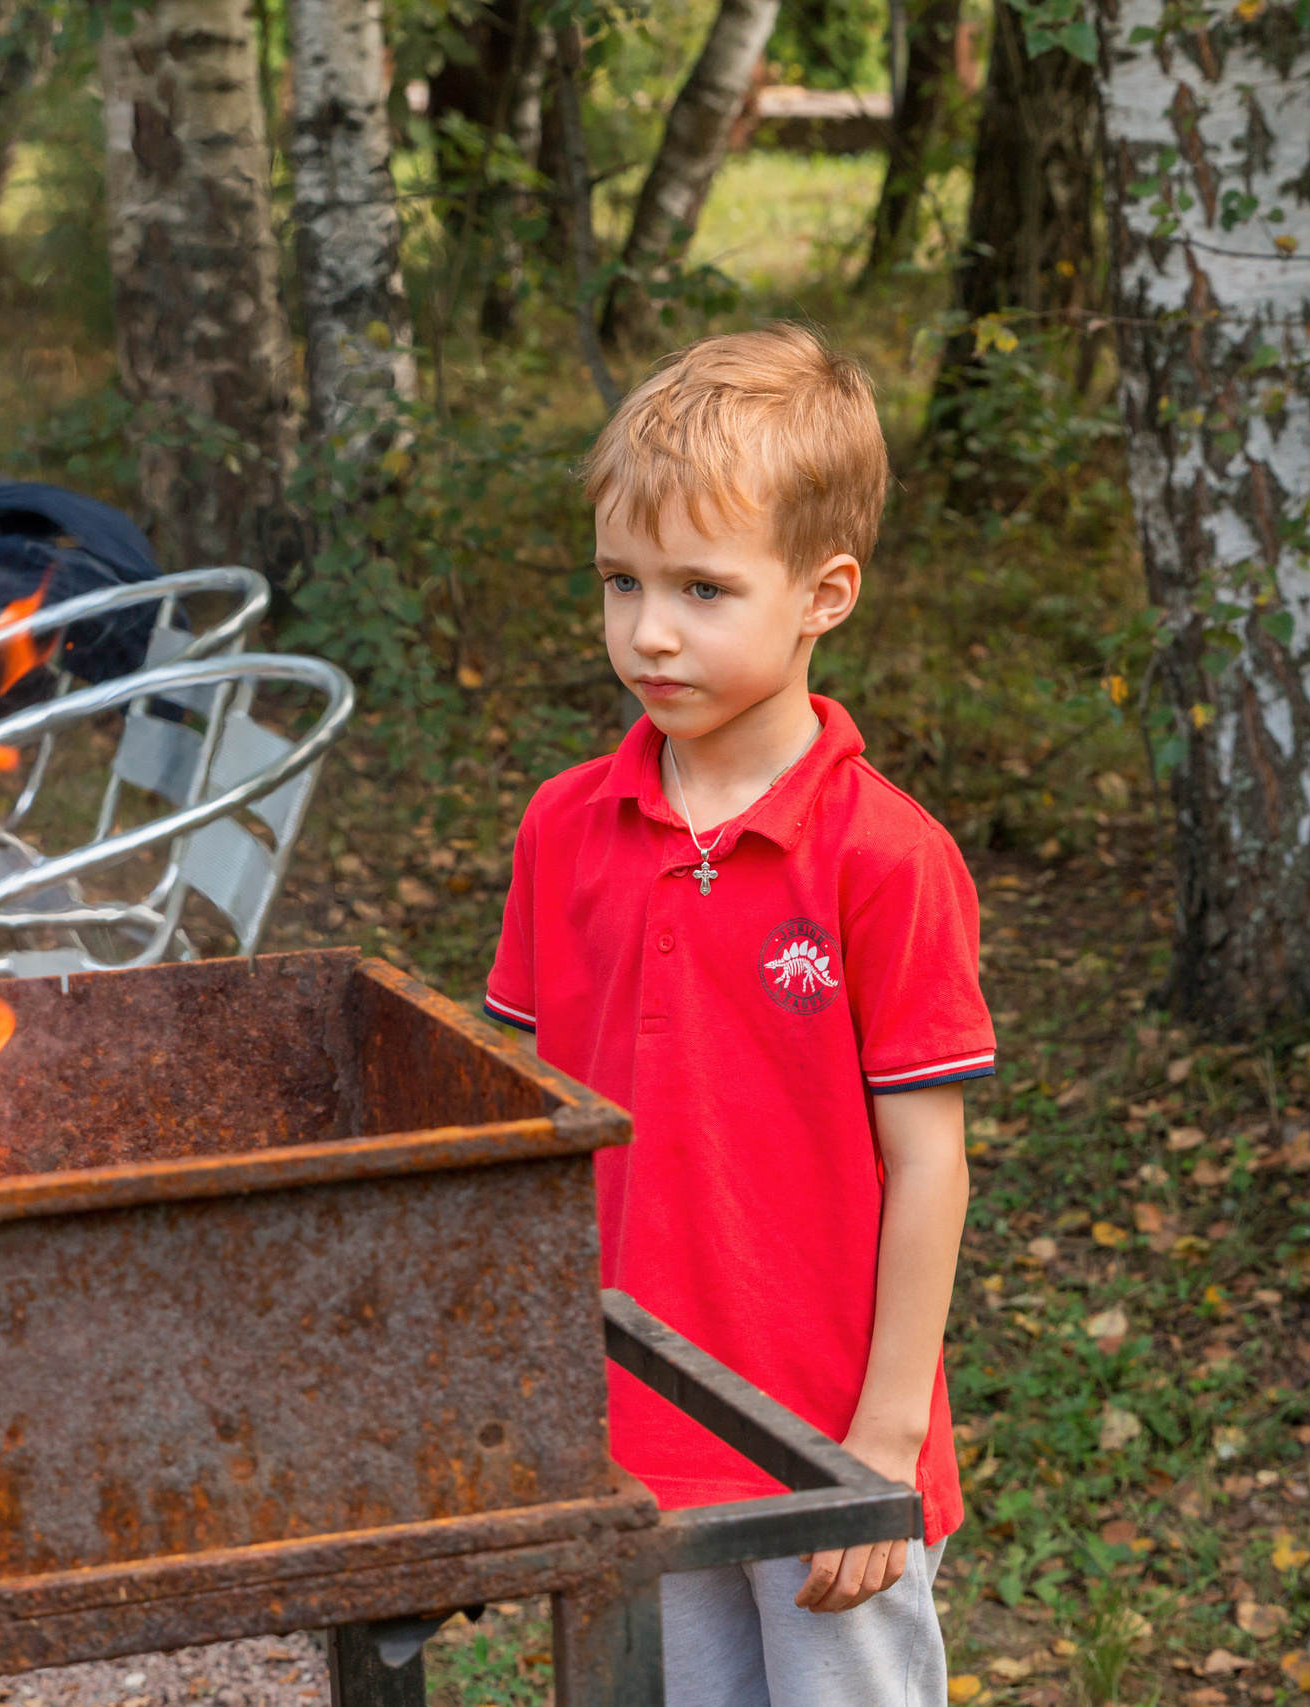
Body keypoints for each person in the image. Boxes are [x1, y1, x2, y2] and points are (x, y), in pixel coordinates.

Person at [484, 323, 992, 1704]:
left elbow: (927, 1158)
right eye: (621, 582)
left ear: (825, 593)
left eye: (705, 589)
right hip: (631, 1427)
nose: (649, 630)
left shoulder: (886, 857)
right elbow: (532, 1137)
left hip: (825, 1431)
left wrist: (881, 1437)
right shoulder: (563, 829)